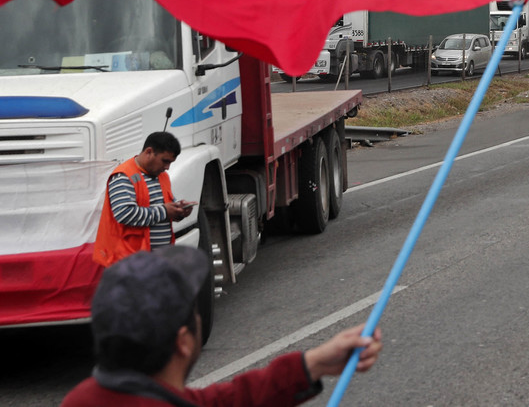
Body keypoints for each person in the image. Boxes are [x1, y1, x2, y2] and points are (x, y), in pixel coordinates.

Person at [62, 246, 383, 406]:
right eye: (194, 312)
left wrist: (311, 364)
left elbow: (218, 401)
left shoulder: (83, 398)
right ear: (183, 341)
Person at [94, 132, 194, 267]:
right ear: (149, 152)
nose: (167, 167)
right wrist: (165, 211)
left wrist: (179, 211)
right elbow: (124, 214)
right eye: (165, 161)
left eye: (170, 162)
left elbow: (164, 208)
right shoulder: (124, 176)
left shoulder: (162, 176)